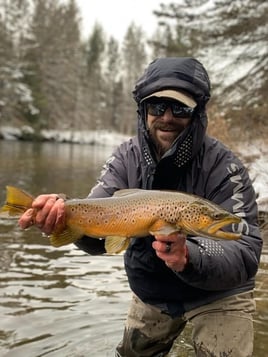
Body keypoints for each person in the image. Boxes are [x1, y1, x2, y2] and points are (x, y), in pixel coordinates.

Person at [19, 57, 262, 357]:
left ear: (197, 112)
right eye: (157, 106)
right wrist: (62, 219)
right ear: (143, 111)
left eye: (181, 108)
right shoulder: (126, 158)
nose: (167, 117)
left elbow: (245, 249)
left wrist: (189, 257)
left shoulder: (225, 168)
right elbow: (97, 219)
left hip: (220, 291)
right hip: (154, 290)